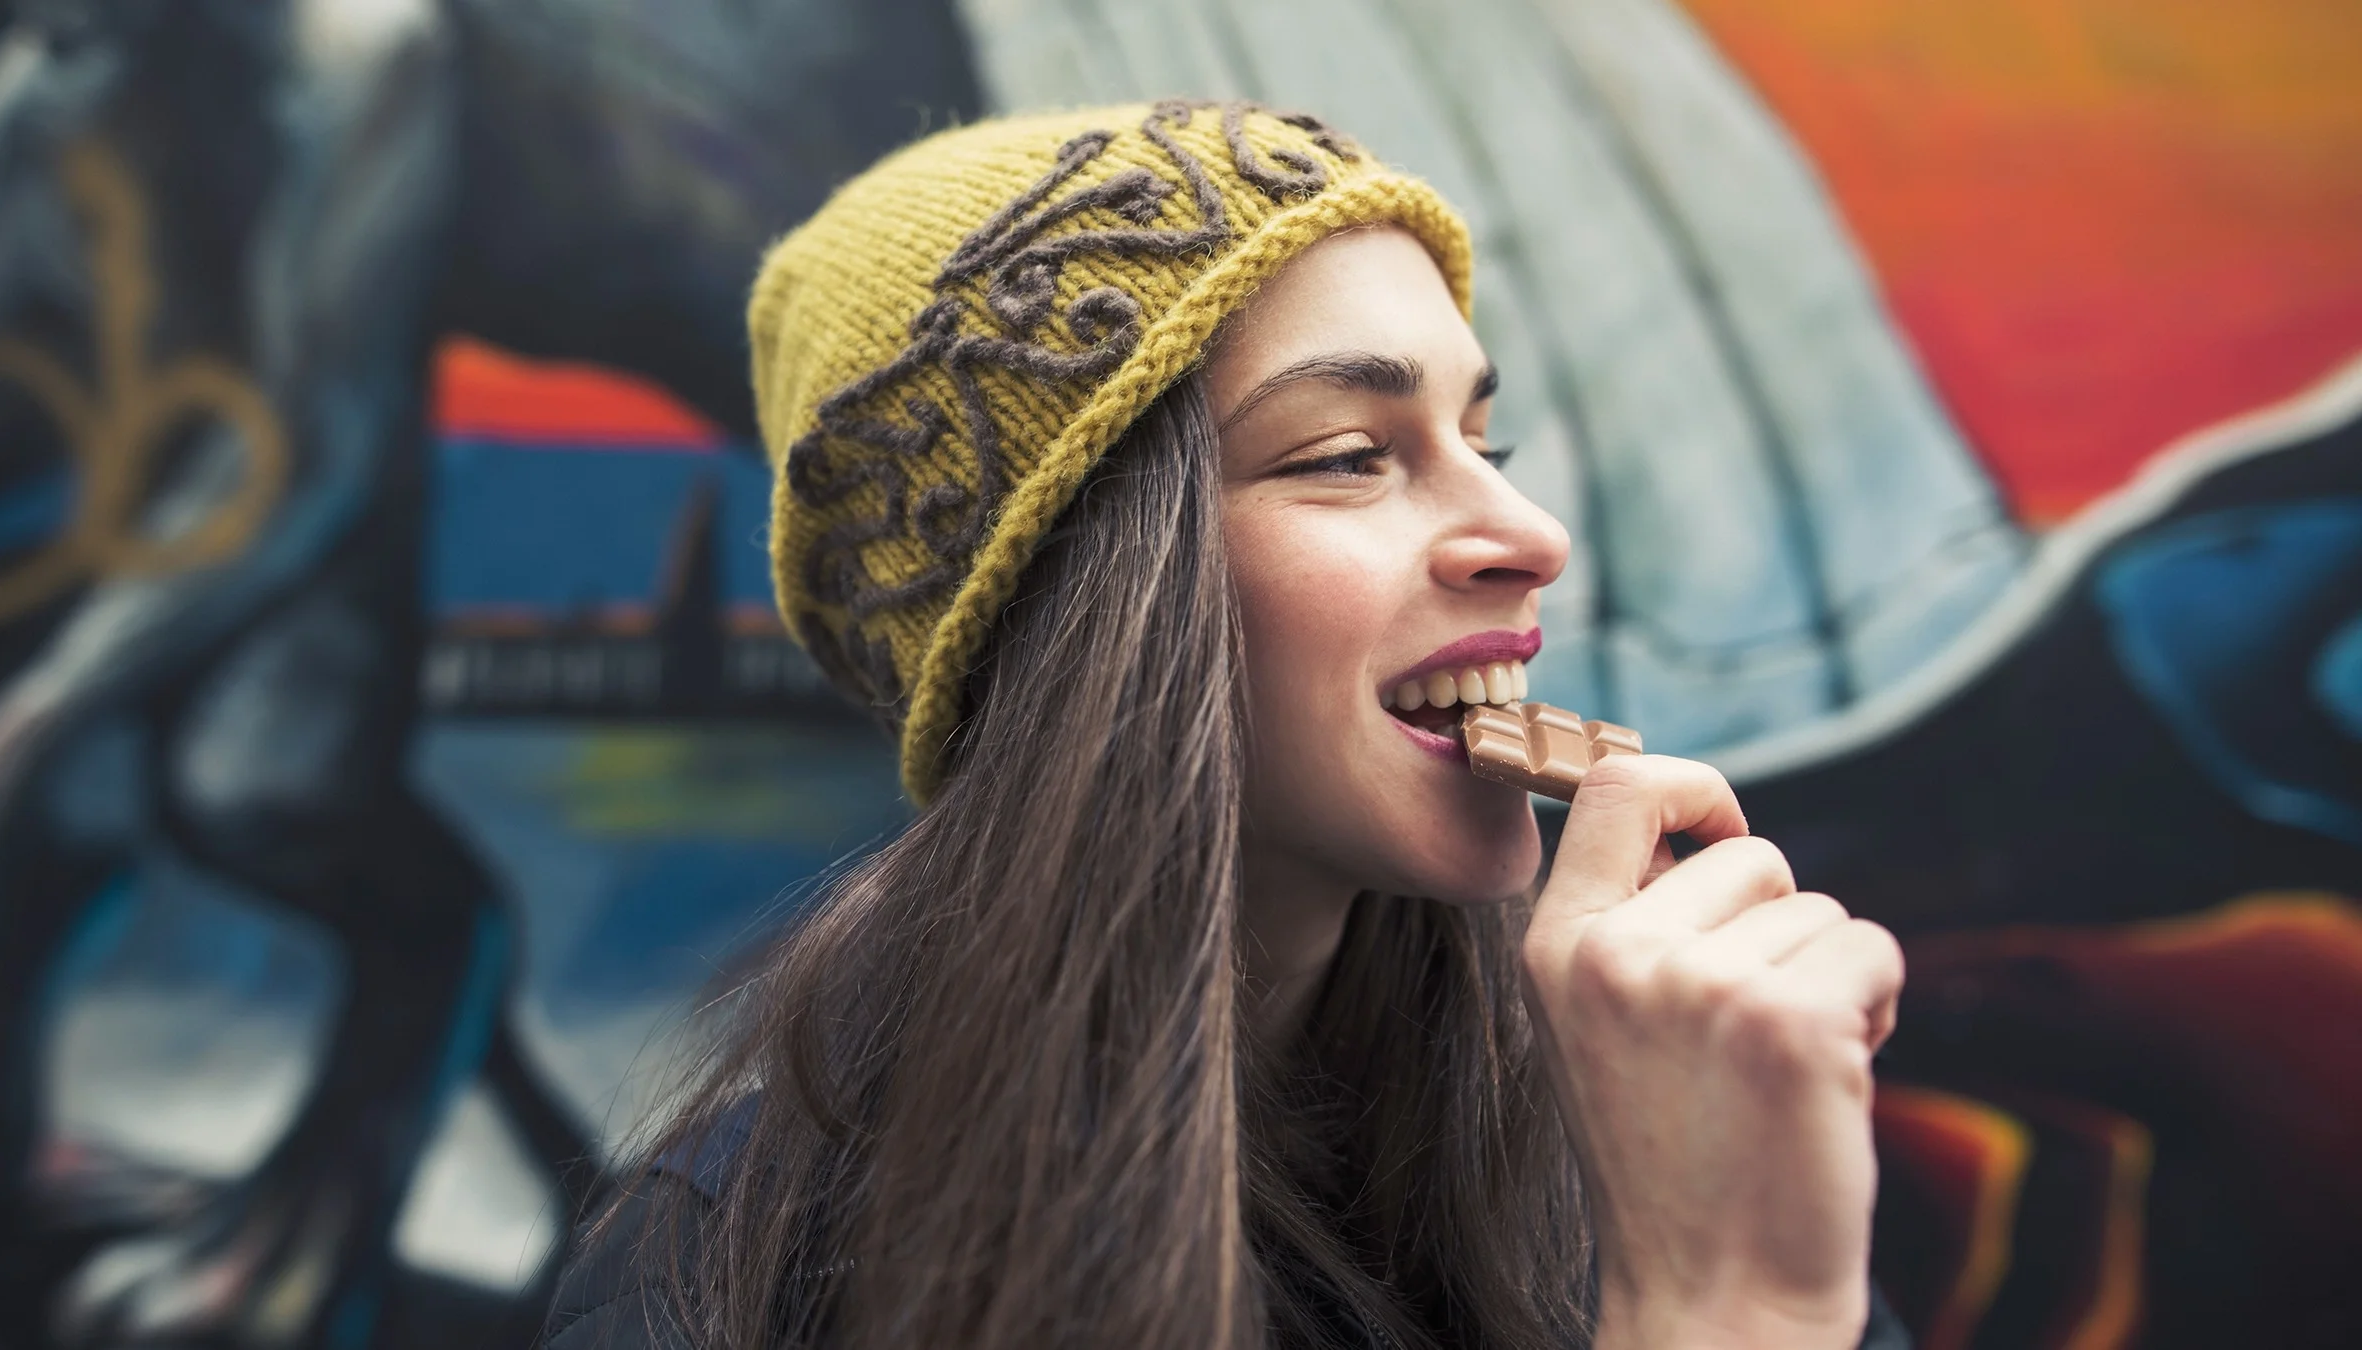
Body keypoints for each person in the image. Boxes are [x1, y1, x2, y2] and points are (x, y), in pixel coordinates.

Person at [539, 100, 1910, 1350]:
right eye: (1350, 455)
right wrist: (1716, 1317)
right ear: (1076, 606)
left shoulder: (1641, 1146)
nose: (1531, 533)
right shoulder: (721, 1280)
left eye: (1482, 442)